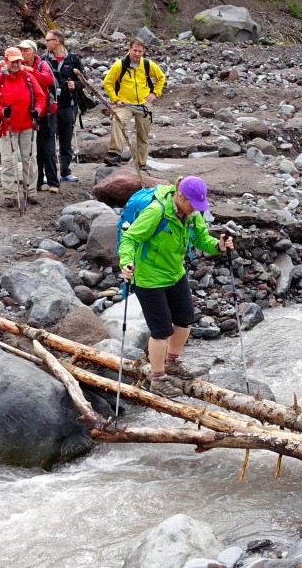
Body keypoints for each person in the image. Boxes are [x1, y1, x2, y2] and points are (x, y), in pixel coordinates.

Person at [118, 176, 233, 398]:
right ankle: (158, 378)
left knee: (184, 320)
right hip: (149, 278)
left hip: (175, 274)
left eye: (199, 206)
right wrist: (126, 264)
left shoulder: (191, 214)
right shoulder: (155, 212)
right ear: (179, 196)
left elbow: (200, 239)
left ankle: (171, 362)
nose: (195, 210)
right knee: (161, 330)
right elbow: (130, 239)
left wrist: (218, 246)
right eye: (192, 204)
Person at [0, 47, 46, 209]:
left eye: (18, 61)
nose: (16, 64)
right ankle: (10, 194)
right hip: (8, 126)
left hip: (28, 124)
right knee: (8, 161)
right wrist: (2, 111)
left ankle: (31, 192)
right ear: (6, 61)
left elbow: (41, 97)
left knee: (30, 159)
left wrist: (37, 111)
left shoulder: (29, 77)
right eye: (12, 61)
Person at [101, 37, 166, 169]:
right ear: (129, 49)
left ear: (143, 51)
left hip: (143, 104)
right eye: (134, 50)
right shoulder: (120, 65)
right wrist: (115, 99)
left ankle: (141, 164)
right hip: (124, 104)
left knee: (143, 135)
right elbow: (107, 82)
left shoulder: (147, 64)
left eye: (140, 51)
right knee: (117, 120)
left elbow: (161, 77)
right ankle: (115, 153)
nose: (137, 54)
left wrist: (155, 93)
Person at [15, 39, 59, 195]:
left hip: (45, 112)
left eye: (25, 50)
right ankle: (38, 182)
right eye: (20, 50)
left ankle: (54, 182)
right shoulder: (16, 66)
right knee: (34, 151)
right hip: (28, 112)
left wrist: (29, 70)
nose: (22, 53)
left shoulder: (42, 65)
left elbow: (48, 80)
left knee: (48, 148)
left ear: (33, 51)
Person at [43, 29, 85, 183]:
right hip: (50, 106)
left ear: (57, 41)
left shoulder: (73, 59)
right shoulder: (44, 59)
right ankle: (50, 173)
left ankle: (65, 171)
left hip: (69, 104)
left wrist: (76, 84)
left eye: (48, 40)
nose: (45, 42)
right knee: (49, 141)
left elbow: (84, 80)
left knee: (66, 141)